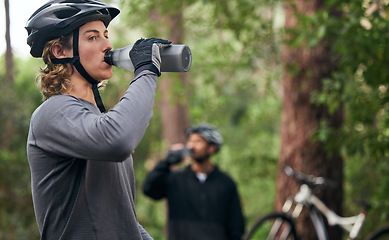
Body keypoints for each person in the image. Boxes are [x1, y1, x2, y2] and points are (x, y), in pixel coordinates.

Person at [25, 0, 171, 239]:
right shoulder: (53, 112)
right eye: (93, 38)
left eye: (106, 35)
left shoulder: (97, 121)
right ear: (60, 51)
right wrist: (146, 71)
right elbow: (118, 139)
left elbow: (120, 220)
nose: (108, 45)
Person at [143, 124, 245, 240]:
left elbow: (236, 225)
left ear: (212, 148)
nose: (192, 145)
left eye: (198, 141)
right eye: (190, 141)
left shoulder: (226, 184)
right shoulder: (176, 179)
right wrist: (167, 162)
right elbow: (149, 190)